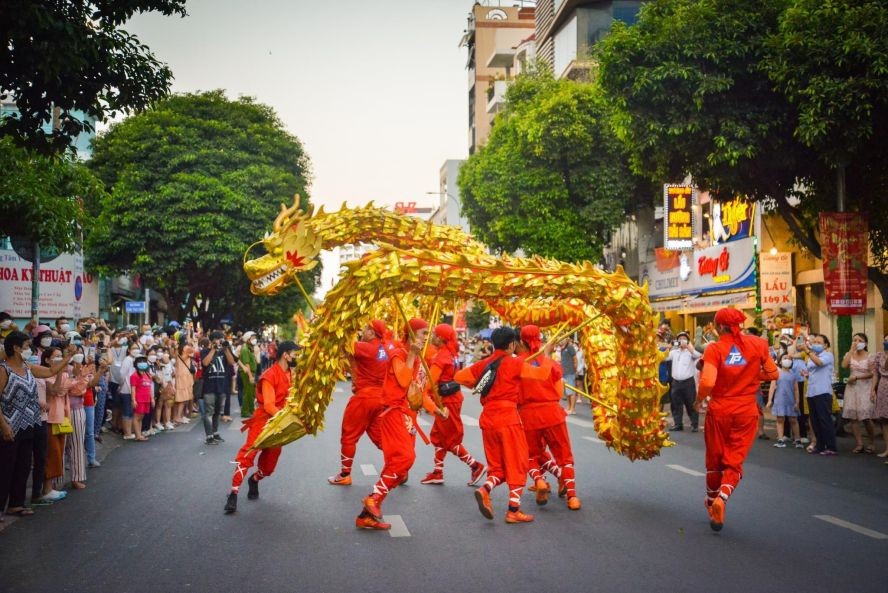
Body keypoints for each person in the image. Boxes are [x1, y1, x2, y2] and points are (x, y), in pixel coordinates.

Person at [455, 326, 556, 524]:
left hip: (488, 419)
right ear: (512, 344)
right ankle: (513, 511)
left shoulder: (484, 364)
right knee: (518, 464)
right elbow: (543, 374)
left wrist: (481, 383)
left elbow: (459, 377)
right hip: (508, 418)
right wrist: (547, 354)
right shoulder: (515, 363)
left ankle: (485, 490)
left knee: (498, 468)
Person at [694, 308, 778, 531]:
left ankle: (712, 503)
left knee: (714, 461)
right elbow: (773, 373)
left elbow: (708, 382)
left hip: (719, 410)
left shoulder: (714, 348)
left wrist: (699, 400)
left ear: (719, 326)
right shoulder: (759, 344)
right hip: (746, 411)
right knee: (734, 460)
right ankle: (722, 498)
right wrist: (750, 376)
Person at [355, 319, 427, 530]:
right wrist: (412, 355)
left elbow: (417, 390)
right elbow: (404, 381)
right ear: (412, 335)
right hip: (393, 412)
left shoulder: (417, 357)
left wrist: (435, 409)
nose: (426, 337)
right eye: (422, 333)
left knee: (399, 465)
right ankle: (372, 499)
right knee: (405, 458)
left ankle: (366, 513)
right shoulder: (398, 353)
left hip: (406, 414)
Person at [0, 332, 74, 516]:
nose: (29, 349)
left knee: (23, 465)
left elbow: (50, 371)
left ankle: (16, 503)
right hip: (10, 425)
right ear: (16, 348)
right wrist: (4, 425)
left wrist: (68, 357)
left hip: (29, 423)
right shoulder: (3, 370)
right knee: (5, 468)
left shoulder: (27, 367)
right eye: (26, 346)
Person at [225, 341, 300, 514]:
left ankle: (255, 479)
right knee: (247, 454)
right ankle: (233, 493)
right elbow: (268, 405)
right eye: (295, 354)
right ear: (285, 355)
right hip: (264, 421)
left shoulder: (292, 373)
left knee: (269, 465)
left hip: (279, 423)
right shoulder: (269, 375)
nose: (297, 358)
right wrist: (287, 419)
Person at [516, 325, 581, 511]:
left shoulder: (517, 364)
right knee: (564, 455)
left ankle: (539, 480)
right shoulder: (551, 363)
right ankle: (572, 497)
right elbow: (559, 391)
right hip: (553, 413)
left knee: (530, 455)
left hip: (528, 416)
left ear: (521, 342)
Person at [420, 323, 485, 487]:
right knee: (439, 436)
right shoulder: (452, 354)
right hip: (453, 398)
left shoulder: (441, 357)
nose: (432, 337)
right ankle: (437, 471)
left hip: (446, 402)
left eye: (434, 334)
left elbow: (428, 385)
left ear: (440, 338)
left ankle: (475, 466)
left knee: (450, 439)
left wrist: (423, 392)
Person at [328, 321, 392, 486]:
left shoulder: (366, 347)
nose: (362, 331)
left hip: (364, 398)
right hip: (381, 400)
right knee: (380, 438)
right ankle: (399, 468)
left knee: (349, 436)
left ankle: (345, 474)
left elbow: (340, 344)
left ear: (371, 332)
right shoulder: (385, 349)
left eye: (365, 328)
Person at [799, 334, 838, 455]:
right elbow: (813, 370)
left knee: (825, 419)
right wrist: (806, 374)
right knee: (815, 421)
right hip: (811, 392)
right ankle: (820, 445)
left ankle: (831, 446)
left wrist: (808, 351)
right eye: (814, 341)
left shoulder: (828, 355)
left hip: (823, 391)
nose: (815, 344)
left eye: (819, 342)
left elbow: (820, 363)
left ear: (825, 345)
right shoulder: (812, 356)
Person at [841, 333, 876, 453]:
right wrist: (851, 351)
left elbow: (873, 373)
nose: (856, 342)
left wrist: (857, 378)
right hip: (852, 388)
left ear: (865, 343)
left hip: (865, 387)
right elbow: (844, 365)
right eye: (854, 340)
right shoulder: (850, 354)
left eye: (859, 340)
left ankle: (871, 442)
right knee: (853, 417)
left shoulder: (870, 356)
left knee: (865, 416)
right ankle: (859, 443)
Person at [200, 331, 236, 445]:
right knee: (208, 412)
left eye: (222, 339)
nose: (221, 341)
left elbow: (231, 362)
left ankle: (215, 433)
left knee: (217, 412)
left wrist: (226, 349)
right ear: (213, 340)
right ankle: (209, 436)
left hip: (221, 386)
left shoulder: (224, 352)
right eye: (219, 339)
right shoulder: (205, 351)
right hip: (209, 386)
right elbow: (205, 363)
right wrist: (213, 350)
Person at [666, 331, 702, 432]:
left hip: (688, 383)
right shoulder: (674, 352)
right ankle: (678, 424)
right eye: (680, 339)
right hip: (676, 383)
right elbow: (664, 357)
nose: (682, 340)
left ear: (687, 341)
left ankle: (694, 424)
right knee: (676, 404)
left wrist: (689, 347)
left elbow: (698, 355)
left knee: (691, 404)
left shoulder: (691, 352)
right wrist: (669, 346)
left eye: (684, 338)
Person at [766, 353, 801, 448]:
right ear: (780, 361)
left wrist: (797, 402)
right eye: (785, 358)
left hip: (791, 401)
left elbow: (796, 389)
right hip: (779, 400)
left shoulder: (794, 375)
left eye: (789, 358)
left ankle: (797, 439)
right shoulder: (776, 374)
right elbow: (772, 387)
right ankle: (780, 439)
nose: (787, 360)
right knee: (780, 419)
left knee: (793, 419)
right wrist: (769, 400)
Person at [870, 335, 888, 461]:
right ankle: (887, 449)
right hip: (883, 387)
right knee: (884, 420)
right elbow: (876, 373)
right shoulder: (879, 356)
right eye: (886, 340)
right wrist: (872, 389)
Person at [129, 356, 154, 442]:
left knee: (141, 417)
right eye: (141, 361)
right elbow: (133, 388)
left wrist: (152, 399)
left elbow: (150, 388)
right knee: (137, 417)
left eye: (144, 361)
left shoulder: (147, 374)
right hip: (139, 399)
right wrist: (133, 400)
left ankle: (139, 434)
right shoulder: (134, 376)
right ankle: (138, 435)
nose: (144, 363)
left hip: (147, 399)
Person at [237, 331, 259, 419]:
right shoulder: (245, 349)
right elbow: (247, 364)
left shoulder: (250, 348)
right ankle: (245, 411)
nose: (254, 339)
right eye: (252, 338)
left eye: (254, 338)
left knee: (251, 392)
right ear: (247, 339)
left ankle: (251, 410)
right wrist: (250, 376)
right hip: (247, 373)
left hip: (251, 372)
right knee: (247, 392)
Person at [174, 340, 195, 424]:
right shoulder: (186, 353)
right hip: (183, 376)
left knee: (184, 398)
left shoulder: (177, 352)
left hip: (183, 375)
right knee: (182, 398)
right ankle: (178, 417)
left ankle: (181, 416)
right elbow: (194, 351)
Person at [560, 338, 578, 415]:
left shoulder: (570, 347)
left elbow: (575, 359)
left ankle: (573, 409)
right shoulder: (562, 348)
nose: (561, 340)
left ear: (566, 340)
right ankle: (569, 406)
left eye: (563, 339)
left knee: (571, 391)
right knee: (567, 392)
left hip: (570, 372)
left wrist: (575, 368)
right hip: (564, 372)